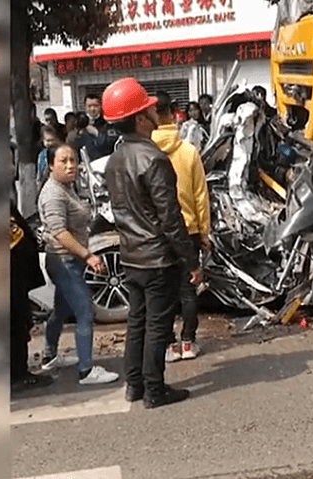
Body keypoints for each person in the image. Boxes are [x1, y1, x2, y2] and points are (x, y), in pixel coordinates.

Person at [102, 77, 200, 408]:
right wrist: (191, 261)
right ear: (141, 118)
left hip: (130, 256)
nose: (156, 113)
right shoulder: (155, 159)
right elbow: (170, 219)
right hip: (158, 259)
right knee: (158, 326)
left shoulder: (114, 160)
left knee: (137, 322)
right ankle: (155, 390)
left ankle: (135, 385)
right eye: (150, 109)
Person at [37, 143, 119, 385]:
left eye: (73, 160)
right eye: (63, 161)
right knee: (84, 311)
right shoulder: (53, 193)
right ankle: (86, 371)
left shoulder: (66, 187)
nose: (70, 165)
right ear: (51, 165)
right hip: (65, 260)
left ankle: (50, 356)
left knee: (61, 310)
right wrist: (88, 256)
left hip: (69, 261)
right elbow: (60, 232)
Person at [152, 91, 210, 362]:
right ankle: (188, 342)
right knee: (188, 290)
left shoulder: (145, 151)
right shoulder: (188, 152)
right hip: (188, 231)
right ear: (174, 112)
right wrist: (205, 233)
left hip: (157, 233)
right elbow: (201, 196)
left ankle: (168, 346)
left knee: (163, 294)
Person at [11, 200, 54, 392]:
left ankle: (19, 371)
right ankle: (16, 375)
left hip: (16, 279)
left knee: (19, 324)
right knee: (13, 326)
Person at [85, 94, 120, 159]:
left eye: (95, 106)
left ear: (101, 106)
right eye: (89, 106)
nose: (92, 109)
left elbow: (112, 142)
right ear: (85, 107)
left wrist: (97, 134)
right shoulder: (80, 123)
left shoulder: (108, 123)